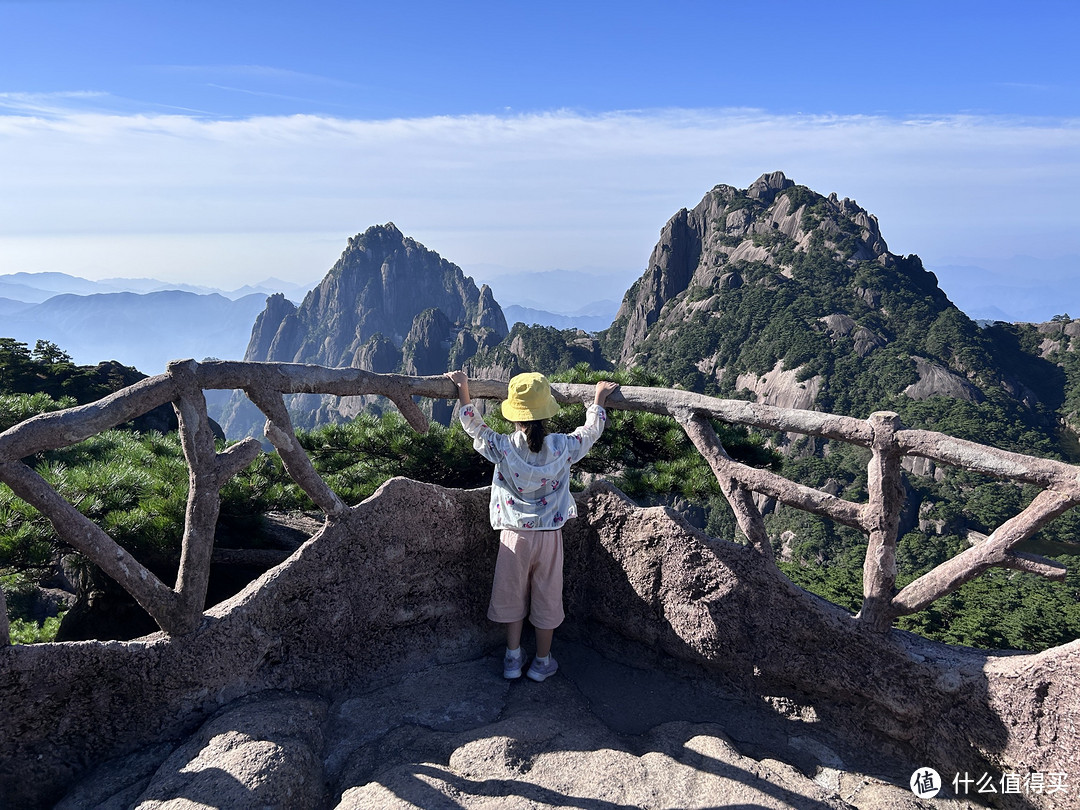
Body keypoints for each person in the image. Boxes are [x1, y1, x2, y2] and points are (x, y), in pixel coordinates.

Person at [446, 369, 619, 681]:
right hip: (549, 536)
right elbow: (589, 432)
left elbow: (475, 427)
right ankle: (542, 662)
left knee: (512, 594)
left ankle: (512, 659)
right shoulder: (562, 447)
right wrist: (598, 400)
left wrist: (463, 388)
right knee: (547, 596)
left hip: (513, 536)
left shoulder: (503, 446)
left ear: (515, 416)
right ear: (546, 414)